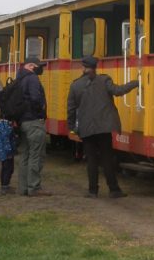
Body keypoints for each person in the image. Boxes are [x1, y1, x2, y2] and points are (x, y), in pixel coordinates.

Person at [67, 56, 139, 198]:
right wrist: (136, 83)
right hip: (104, 128)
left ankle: (93, 191)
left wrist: (72, 127)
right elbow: (119, 91)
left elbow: (70, 108)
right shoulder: (104, 80)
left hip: (87, 128)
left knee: (92, 159)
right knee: (107, 158)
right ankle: (114, 190)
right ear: (95, 67)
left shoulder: (75, 85)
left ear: (83, 67)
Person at [15, 56, 51, 197]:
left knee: (25, 154)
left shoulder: (19, 78)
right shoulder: (32, 78)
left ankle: (23, 187)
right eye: (38, 65)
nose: (40, 68)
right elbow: (36, 98)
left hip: (22, 121)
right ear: (31, 66)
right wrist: (40, 112)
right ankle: (34, 187)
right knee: (37, 154)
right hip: (34, 121)